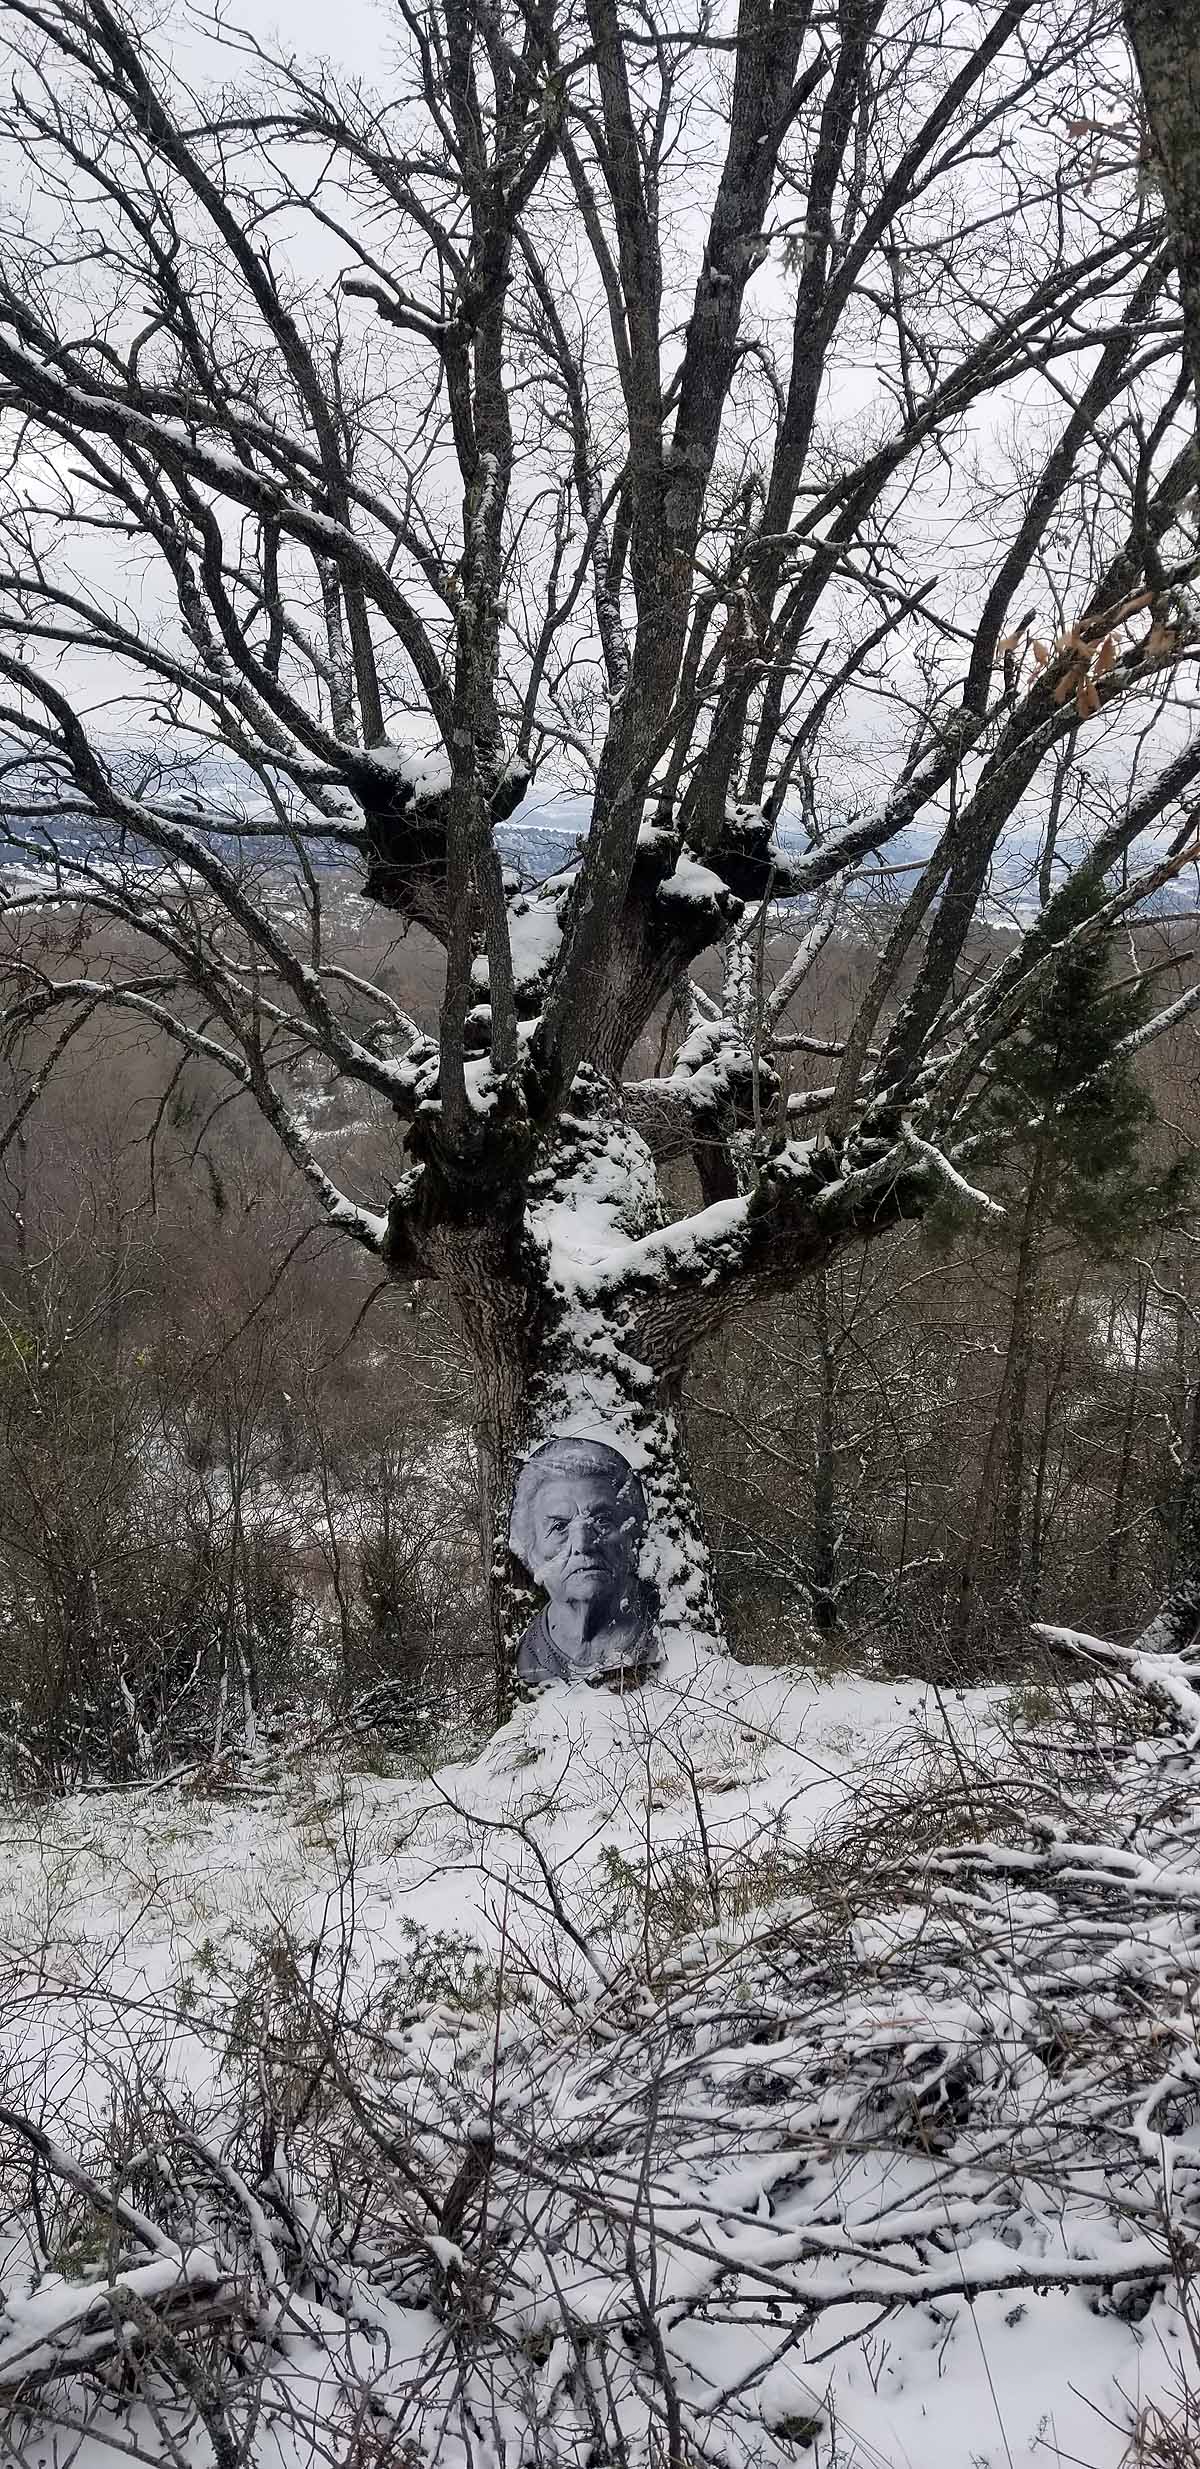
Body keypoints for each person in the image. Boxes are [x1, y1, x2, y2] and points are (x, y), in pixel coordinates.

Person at [509, 1437, 660, 1688]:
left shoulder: (666, 1626)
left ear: (631, 1537)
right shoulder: (531, 1654)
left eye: (602, 1520)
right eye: (559, 1527)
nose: (582, 1544)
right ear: (532, 1551)